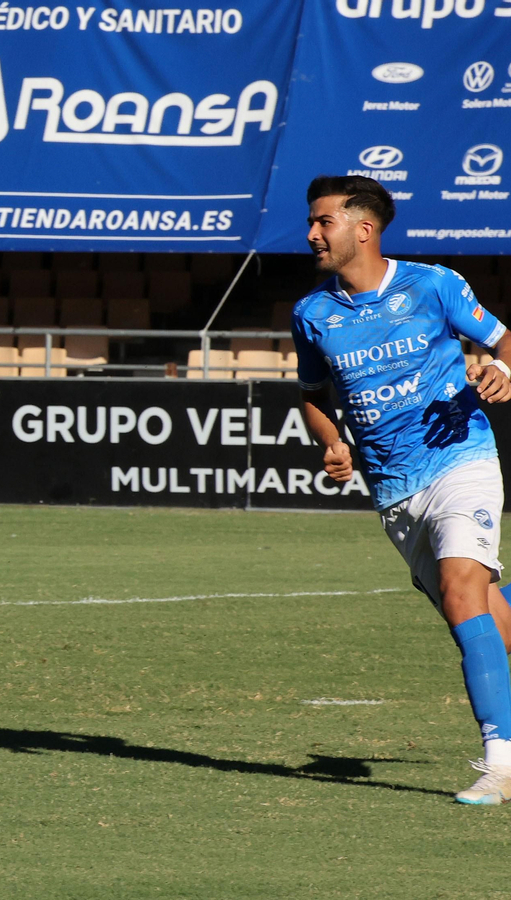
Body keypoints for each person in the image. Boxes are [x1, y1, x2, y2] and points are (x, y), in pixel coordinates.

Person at [293, 174, 511, 805]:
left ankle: (501, 764)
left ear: (364, 228)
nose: (311, 234)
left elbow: (503, 339)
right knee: (487, 619)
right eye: (311, 222)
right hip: (393, 489)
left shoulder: (433, 284)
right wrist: (331, 442)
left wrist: (502, 367)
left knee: (460, 591)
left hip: (462, 457)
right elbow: (312, 396)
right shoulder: (311, 314)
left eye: (323, 221)